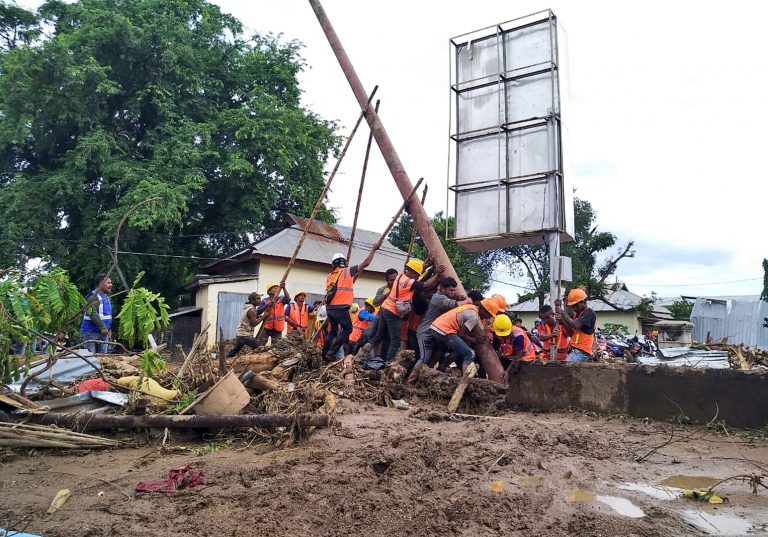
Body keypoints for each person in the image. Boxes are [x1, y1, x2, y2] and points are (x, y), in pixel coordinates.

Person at [357, 259, 439, 364]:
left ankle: (360, 355)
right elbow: (425, 285)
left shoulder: (400, 276)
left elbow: (417, 274)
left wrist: (427, 267)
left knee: (378, 336)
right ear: (412, 272)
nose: (416, 277)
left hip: (384, 309)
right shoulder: (409, 282)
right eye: (415, 275)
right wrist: (437, 275)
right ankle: (388, 364)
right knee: (395, 341)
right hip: (393, 312)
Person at [407, 298, 499, 383]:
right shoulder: (474, 317)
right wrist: (475, 340)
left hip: (435, 326)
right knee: (470, 353)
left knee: (440, 352)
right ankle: (465, 383)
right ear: (483, 310)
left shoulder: (469, 307)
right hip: (445, 330)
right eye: (488, 315)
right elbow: (461, 335)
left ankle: (415, 380)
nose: (487, 318)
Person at [323, 250, 376, 361]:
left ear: (333, 264)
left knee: (333, 330)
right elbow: (366, 263)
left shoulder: (330, 275)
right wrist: (374, 250)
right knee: (347, 329)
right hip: (340, 307)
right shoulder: (347, 271)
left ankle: (325, 353)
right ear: (344, 263)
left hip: (330, 308)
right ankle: (331, 353)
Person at [415, 277, 472, 367]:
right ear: (442, 288)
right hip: (425, 333)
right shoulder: (438, 298)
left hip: (435, 334)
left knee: (438, 354)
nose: (452, 293)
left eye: (454, 290)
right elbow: (453, 304)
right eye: (450, 290)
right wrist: (467, 301)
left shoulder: (444, 297)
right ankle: (410, 380)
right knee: (424, 358)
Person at [556, 288, 597, 362]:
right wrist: (561, 320)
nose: (574, 308)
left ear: (583, 303)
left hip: (582, 352)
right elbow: (570, 333)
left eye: (576, 305)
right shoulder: (576, 315)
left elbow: (575, 325)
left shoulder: (589, 312)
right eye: (573, 306)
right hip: (575, 351)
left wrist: (562, 312)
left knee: (565, 369)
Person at [80, 274, 113, 353]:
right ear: (100, 284)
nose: (111, 285)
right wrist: (102, 327)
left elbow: (106, 315)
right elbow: (93, 313)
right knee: (91, 358)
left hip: (103, 333)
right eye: (108, 283)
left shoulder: (106, 297)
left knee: (103, 358)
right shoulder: (92, 297)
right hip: (90, 332)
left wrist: (108, 328)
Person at [226, 292, 266, 357]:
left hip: (240, 334)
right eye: (258, 299)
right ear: (252, 300)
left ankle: (223, 361)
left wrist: (266, 306)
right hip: (244, 335)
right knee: (260, 348)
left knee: (233, 352)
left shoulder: (249, 308)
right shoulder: (251, 310)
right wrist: (264, 316)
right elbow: (254, 324)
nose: (260, 301)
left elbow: (257, 313)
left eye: (260, 299)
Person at [256, 282, 291, 347]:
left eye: (277, 288)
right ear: (269, 291)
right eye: (274, 288)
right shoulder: (265, 300)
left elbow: (288, 300)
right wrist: (266, 305)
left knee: (276, 347)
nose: (277, 289)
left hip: (278, 328)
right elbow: (258, 312)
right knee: (259, 345)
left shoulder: (281, 299)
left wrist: (284, 288)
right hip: (266, 327)